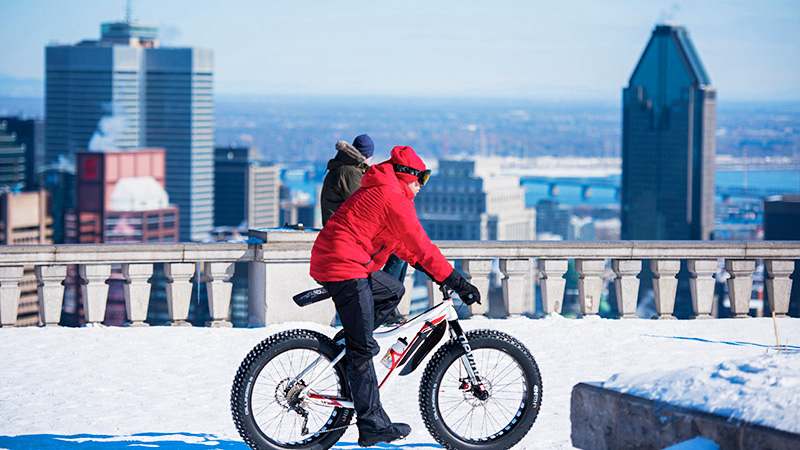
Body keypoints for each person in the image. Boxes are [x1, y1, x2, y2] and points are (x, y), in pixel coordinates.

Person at [310, 145, 481, 447]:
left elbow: (404, 246)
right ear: (408, 175)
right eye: (421, 179)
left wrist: (428, 269)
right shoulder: (393, 197)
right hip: (344, 265)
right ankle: (372, 424)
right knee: (363, 352)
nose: (422, 186)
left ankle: (354, 339)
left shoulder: (385, 189)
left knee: (393, 290)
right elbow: (421, 242)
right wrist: (456, 280)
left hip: (344, 260)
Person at [320, 134, 374, 226]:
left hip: (336, 227)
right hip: (341, 230)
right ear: (368, 156)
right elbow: (361, 206)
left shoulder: (343, 168)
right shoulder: (350, 173)